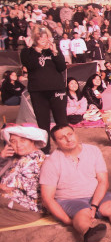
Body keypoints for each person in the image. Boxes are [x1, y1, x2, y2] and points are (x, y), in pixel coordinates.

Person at [40, 125, 111, 242]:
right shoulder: (51, 162)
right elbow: (47, 198)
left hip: (96, 193)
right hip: (70, 199)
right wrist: (68, 221)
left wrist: (94, 205)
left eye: (70, 134)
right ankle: (87, 232)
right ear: (56, 143)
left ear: (75, 133)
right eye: (62, 138)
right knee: (83, 213)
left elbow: (103, 181)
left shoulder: (93, 150)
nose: (68, 139)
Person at [20, 25, 67, 153]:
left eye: (45, 36)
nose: (43, 38)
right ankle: (45, 152)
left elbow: (62, 67)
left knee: (62, 121)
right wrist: (36, 50)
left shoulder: (53, 50)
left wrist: (55, 52)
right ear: (35, 38)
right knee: (43, 123)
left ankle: (65, 149)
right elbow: (31, 66)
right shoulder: (27, 52)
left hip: (57, 90)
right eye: (40, 36)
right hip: (38, 91)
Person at [0, 124, 46, 228]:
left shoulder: (31, 160)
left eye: (23, 140)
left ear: (32, 140)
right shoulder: (20, 157)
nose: (18, 145)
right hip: (12, 203)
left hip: (22, 209)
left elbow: (4, 188)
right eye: (13, 141)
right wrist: (2, 158)